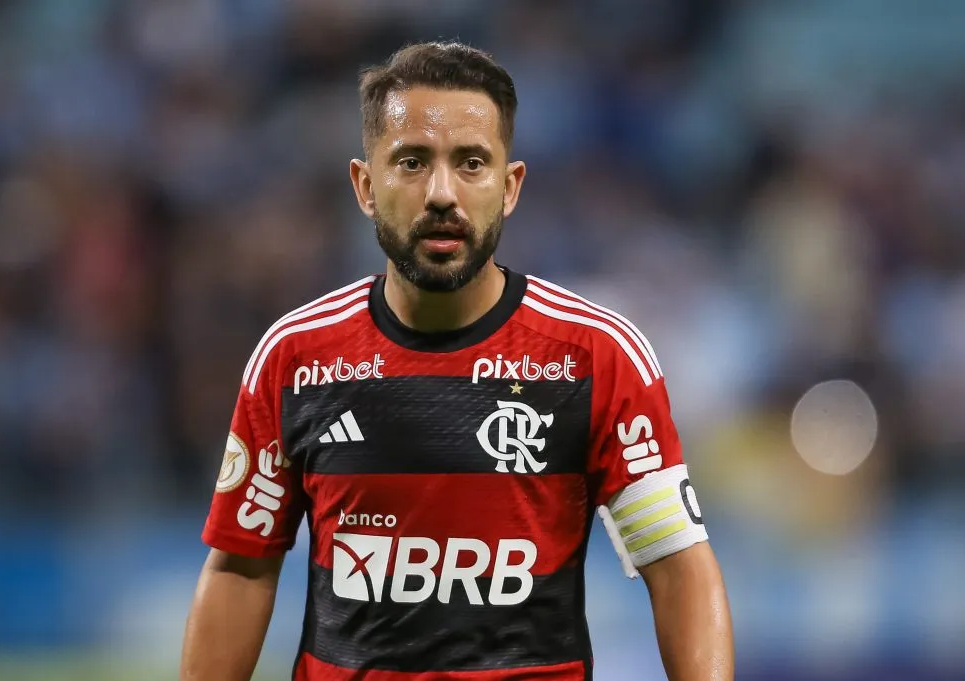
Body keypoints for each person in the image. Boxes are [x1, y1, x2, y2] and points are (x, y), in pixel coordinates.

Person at [180, 41, 734, 681]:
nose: (441, 192)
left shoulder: (596, 357)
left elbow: (679, 568)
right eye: (412, 162)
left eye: (471, 162)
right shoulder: (294, 359)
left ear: (510, 185)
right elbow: (241, 568)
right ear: (365, 185)